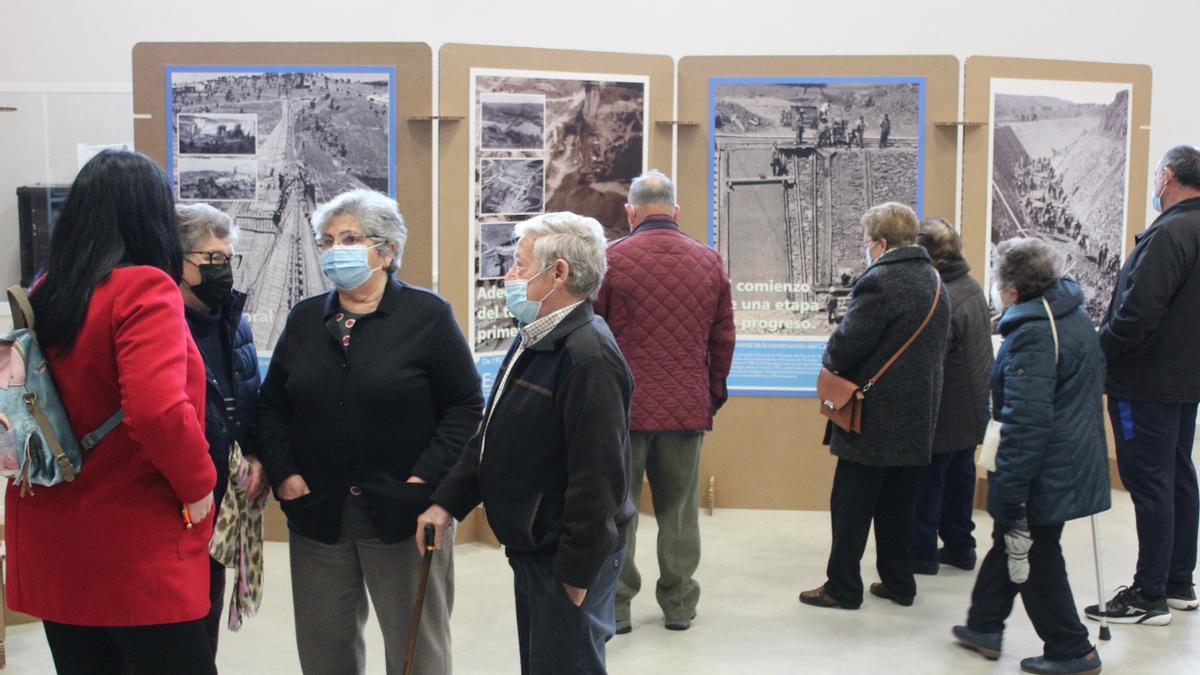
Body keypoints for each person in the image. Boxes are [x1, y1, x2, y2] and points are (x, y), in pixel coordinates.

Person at [5, 149, 218, 674]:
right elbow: (156, 409)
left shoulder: (45, 290)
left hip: (55, 533)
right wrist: (199, 484)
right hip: (135, 544)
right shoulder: (143, 287)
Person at [257, 189, 483, 674]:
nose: (335, 249)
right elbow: (272, 406)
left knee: (416, 652)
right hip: (317, 513)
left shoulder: (428, 316)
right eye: (329, 239)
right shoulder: (304, 320)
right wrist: (284, 474)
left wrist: (427, 479)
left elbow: (465, 406)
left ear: (387, 250)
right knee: (325, 650)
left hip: (405, 513)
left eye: (350, 238)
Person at [418, 212, 635, 675]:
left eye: (518, 265)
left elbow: (598, 479)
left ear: (559, 272)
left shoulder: (587, 357)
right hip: (535, 548)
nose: (509, 276)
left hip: (565, 556)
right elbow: (491, 433)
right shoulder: (534, 338)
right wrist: (448, 503)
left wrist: (577, 572)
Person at [953, 237, 1108, 675]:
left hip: (1044, 465)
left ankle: (1071, 648)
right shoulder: (1069, 314)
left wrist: (1011, 487)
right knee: (1013, 540)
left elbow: (1025, 421)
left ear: (1013, 289)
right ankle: (984, 624)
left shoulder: (1034, 335)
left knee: (1034, 550)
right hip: (1068, 455)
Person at [593, 170, 735, 634]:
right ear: (675, 211)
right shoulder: (708, 260)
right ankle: (678, 604)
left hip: (623, 412)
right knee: (680, 510)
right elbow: (723, 337)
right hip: (684, 408)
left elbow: (594, 337)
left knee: (618, 509)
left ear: (630, 212)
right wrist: (710, 393)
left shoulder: (611, 261)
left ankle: (616, 605)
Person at [800, 202, 949, 610]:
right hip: (917, 415)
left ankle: (843, 587)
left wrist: (832, 355)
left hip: (872, 416)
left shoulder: (879, 282)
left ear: (881, 243)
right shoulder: (934, 279)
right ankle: (899, 583)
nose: (866, 250)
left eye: (867, 242)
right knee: (898, 506)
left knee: (850, 505)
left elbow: (845, 345)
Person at [1087, 145, 1200, 625]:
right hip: (1183, 381)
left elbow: (1138, 313)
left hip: (1146, 382)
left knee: (1151, 483)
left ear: (1167, 176)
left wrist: (1098, 350)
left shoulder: (1171, 232)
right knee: (1176, 475)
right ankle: (1177, 582)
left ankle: (1148, 594)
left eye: (1156, 174)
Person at [175, 203, 267, 654]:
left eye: (228, 259)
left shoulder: (233, 323)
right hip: (176, 510)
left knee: (203, 634)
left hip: (220, 510)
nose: (223, 271)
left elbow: (248, 397)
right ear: (176, 261)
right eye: (211, 260)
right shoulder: (161, 326)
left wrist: (254, 453)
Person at [911, 217, 993, 575]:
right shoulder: (971, 287)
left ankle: (921, 555)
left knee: (926, 486)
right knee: (959, 482)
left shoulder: (943, 295)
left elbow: (932, 358)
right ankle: (961, 546)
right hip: (971, 407)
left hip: (945, 409)